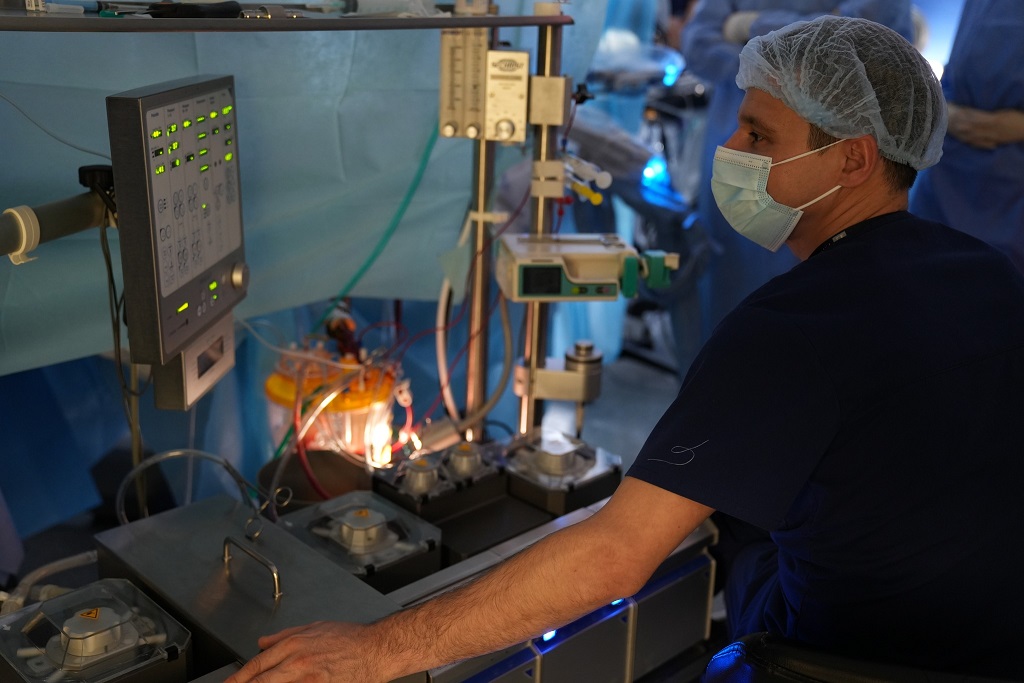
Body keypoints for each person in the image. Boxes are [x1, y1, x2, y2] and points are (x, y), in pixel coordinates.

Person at [227, 16, 1024, 682]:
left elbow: (613, 557)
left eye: (758, 133)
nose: (731, 149)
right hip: (995, 644)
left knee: (733, 540)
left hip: (842, 656)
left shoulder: (793, 326)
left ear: (853, 157)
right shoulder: (989, 273)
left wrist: (377, 649)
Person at [680, 1, 915, 342]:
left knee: (815, 306)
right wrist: (776, 70)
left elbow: (863, 38)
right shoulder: (740, 136)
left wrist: (745, 26)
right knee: (729, 303)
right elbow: (698, 44)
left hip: (815, 150)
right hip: (739, 155)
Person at [910, 0, 1024, 273]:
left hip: (1011, 178)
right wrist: (945, 110)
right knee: (919, 266)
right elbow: (964, 58)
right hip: (951, 161)